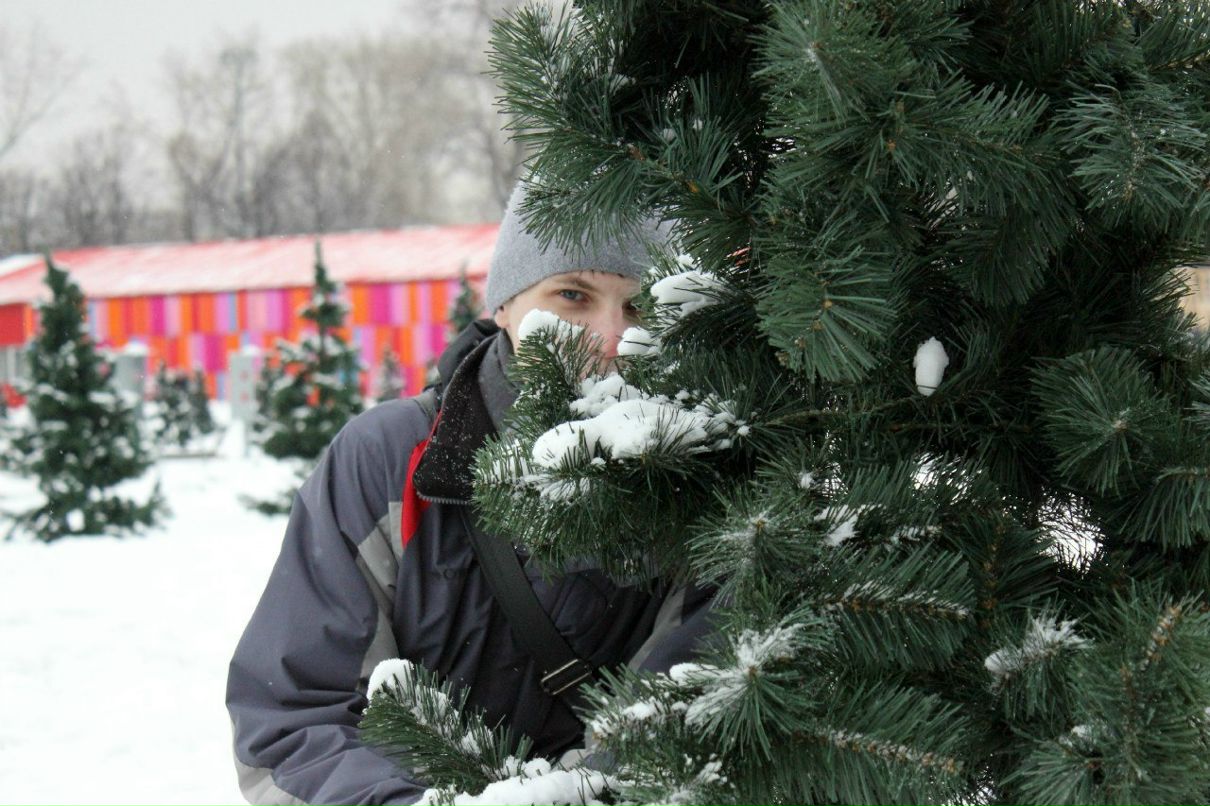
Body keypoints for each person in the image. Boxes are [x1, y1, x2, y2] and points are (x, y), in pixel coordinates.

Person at [226, 185, 714, 806]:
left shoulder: (704, 479)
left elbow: (688, 718)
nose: (612, 337)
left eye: (639, 308)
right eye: (573, 295)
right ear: (506, 304)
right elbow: (293, 717)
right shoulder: (386, 459)